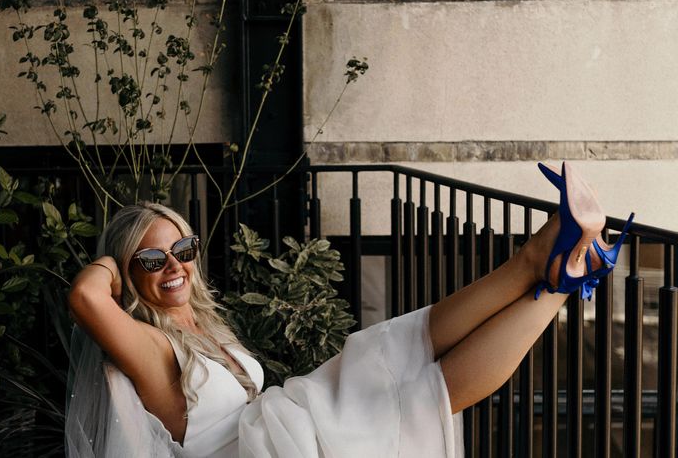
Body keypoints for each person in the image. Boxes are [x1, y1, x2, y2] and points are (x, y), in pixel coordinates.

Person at [65, 162, 633, 457]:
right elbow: (87, 298)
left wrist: (133, 265)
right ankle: (556, 275)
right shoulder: (147, 346)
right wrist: (111, 267)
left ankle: (548, 265)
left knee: (393, 347)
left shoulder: (199, 325)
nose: (175, 268)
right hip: (269, 451)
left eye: (183, 250)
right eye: (152, 259)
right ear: (130, 273)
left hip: (284, 434)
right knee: (411, 394)